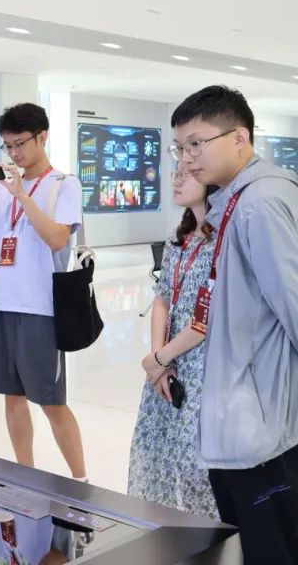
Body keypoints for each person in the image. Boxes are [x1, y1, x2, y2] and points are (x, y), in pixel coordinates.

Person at [169, 85, 298, 559]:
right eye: (180, 147)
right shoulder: (235, 201)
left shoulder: (259, 204)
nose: (187, 159)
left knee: (272, 549)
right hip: (239, 415)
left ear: (239, 138)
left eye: (196, 144)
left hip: (260, 427)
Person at [0, 103, 88, 481]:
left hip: (42, 308)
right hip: (1, 304)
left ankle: (81, 480)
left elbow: (57, 238)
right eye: (8, 146)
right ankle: (25, 475)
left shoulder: (64, 184)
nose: (14, 153)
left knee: (52, 401)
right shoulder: (2, 190)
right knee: (12, 397)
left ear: (42, 136)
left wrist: (22, 195)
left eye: (20, 144)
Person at [127, 167, 219, 518]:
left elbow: (206, 319)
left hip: (201, 367)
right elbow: (163, 298)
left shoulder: (224, 239)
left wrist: (162, 357)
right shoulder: (178, 239)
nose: (177, 179)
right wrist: (158, 360)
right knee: (156, 453)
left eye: (187, 174)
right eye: (176, 173)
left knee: (195, 467)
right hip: (167, 366)